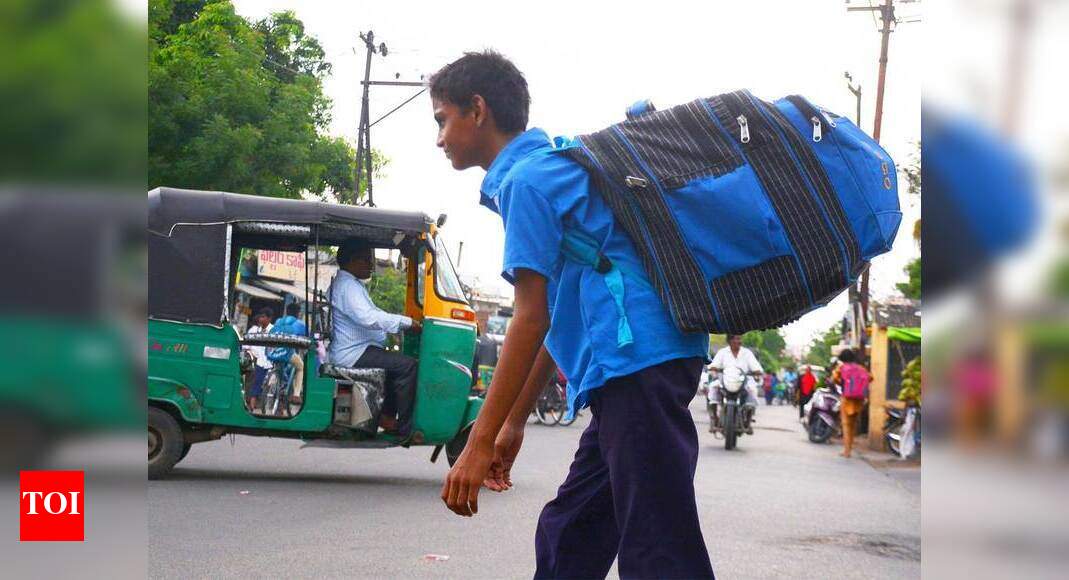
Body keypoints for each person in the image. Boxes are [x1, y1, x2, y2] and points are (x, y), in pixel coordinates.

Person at [432, 51, 715, 578]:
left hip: (638, 362)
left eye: (442, 119)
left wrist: (478, 441)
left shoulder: (527, 183)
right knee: (573, 531)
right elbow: (556, 313)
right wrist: (512, 422)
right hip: (627, 367)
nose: (440, 138)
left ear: (478, 110)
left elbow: (530, 317)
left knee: (658, 548)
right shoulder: (548, 168)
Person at [328, 239, 422, 441]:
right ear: (354, 261)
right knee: (408, 366)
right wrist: (405, 322)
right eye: (367, 260)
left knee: (395, 363)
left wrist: (399, 323)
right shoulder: (348, 287)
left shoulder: (351, 284)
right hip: (353, 353)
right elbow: (368, 318)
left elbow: (374, 313)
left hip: (359, 349)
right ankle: (405, 429)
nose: (371, 265)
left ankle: (387, 417)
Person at [709, 334, 765, 430]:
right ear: (730, 340)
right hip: (726, 380)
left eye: (740, 338)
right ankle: (715, 418)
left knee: (752, 390)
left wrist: (757, 372)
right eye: (737, 339)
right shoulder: (723, 352)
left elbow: (756, 367)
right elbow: (713, 365)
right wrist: (714, 369)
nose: (739, 341)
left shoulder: (747, 353)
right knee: (713, 387)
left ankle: (748, 420)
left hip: (743, 381)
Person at [832, 349, 872, 458]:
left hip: (847, 399)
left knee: (846, 425)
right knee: (853, 425)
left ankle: (847, 451)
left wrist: (842, 383)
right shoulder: (861, 368)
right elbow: (871, 377)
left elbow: (835, 378)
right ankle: (849, 447)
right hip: (859, 400)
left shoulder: (841, 368)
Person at [270, 302, 308, 406]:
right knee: (300, 367)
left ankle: (279, 385)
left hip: (272, 352)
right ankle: (296, 394)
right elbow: (308, 338)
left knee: (282, 368)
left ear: (287, 311)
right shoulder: (300, 324)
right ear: (298, 313)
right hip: (286, 353)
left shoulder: (278, 321)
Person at [243, 308, 274, 411]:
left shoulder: (273, 330)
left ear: (269, 319)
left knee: (263, 383)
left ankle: (255, 404)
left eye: (263, 317)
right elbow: (246, 344)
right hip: (255, 360)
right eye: (260, 316)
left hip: (268, 361)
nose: (261, 319)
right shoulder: (254, 330)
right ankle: (251, 404)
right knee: (255, 382)